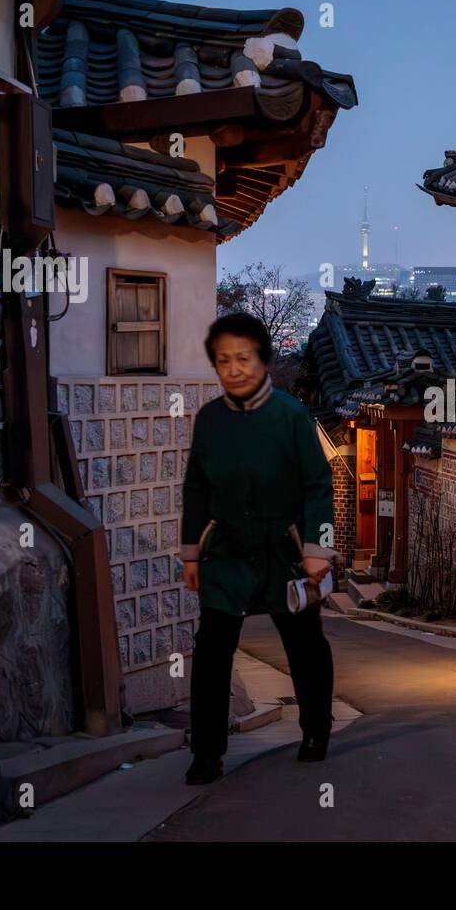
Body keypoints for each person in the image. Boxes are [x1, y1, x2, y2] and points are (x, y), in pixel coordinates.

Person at [179, 312, 338, 785]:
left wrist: (317, 549)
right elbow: (195, 488)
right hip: (225, 552)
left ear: (263, 360)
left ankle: (316, 729)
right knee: (211, 653)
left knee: (305, 646)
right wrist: (192, 554)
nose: (234, 368)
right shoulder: (208, 420)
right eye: (223, 360)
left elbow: (318, 484)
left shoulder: (291, 415)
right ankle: (207, 752)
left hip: (285, 551)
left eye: (243, 358)